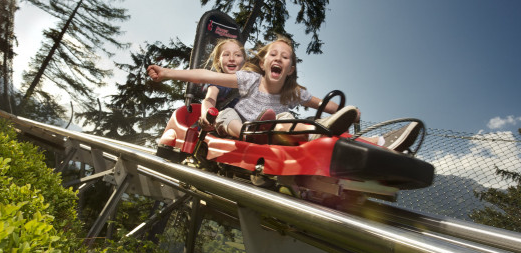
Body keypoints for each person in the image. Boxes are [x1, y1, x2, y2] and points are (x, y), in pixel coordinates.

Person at [148, 36, 420, 151]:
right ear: (264, 63)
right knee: (228, 114)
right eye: (273, 54)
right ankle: (253, 130)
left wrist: (347, 111)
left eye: (285, 57)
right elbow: (207, 78)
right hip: (241, 123)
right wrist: (169, 73)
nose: (278, 59)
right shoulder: (248, 80)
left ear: (290, 69)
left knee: (293, 117)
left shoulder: (294, 91)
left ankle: (377, 142)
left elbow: (322, 104)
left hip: (276, 126)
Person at [198, 38, 246, 131]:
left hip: (245, 122)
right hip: (219, 125)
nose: (231, 58)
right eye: (226, 54)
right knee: (228, 113)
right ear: (218, 62)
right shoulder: (217, 82)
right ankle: (246, 134)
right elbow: (209, 99)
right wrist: (206, 114)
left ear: (244, 62)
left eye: (237, 55)